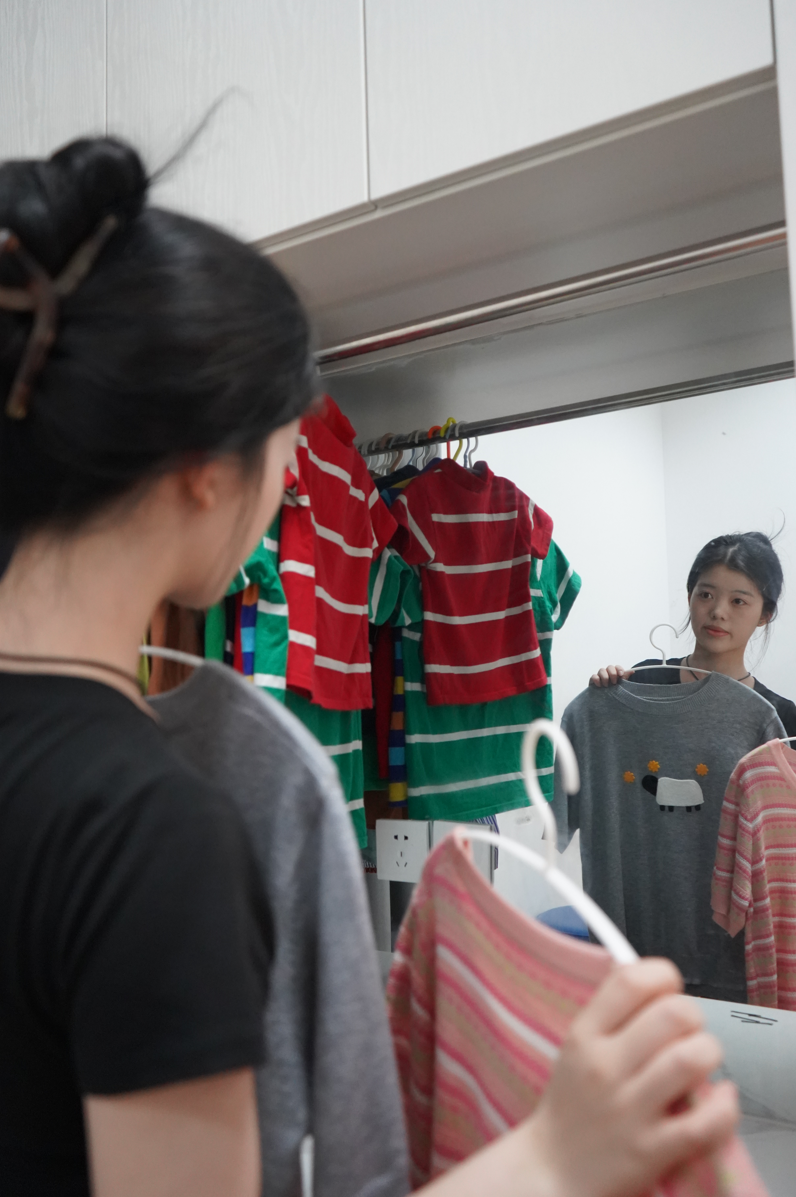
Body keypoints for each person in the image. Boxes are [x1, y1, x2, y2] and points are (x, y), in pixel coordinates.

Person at [0, 137, 738, 1197]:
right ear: (205, 467)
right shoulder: (154, 826)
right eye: (283, 440)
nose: (288, 480)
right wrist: (552, 1155)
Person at [591, 531, 796, 735]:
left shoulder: (781, 718)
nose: (718, 612)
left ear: (765, 615)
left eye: (738, 601)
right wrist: (600, 699)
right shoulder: (644, 681)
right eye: (706, 595)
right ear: (690, 597)